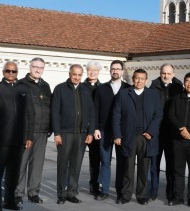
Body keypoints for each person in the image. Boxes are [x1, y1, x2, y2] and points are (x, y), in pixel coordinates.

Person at [0, 62, 34, 211]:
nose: (11, 73)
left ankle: (10, 202)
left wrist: (29, 136)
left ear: (17, 72)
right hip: (1, 141)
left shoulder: (25, 89)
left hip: (19, 141)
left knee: (13, 175)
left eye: (14, 71)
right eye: (8, 71)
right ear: (3, 71)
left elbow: (31, 114)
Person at [113, 68, 163, 205]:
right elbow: (116, 115)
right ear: (133, 79)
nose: (139, 81)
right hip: (129, 136)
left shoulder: (153, 95)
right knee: (127, 168)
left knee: (143, 168)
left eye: (142, 78)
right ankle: (126, 195)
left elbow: (158, 115)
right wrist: (117, 135)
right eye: (137, 78)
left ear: (146, 80)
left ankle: (141, 195)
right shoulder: (124, 94)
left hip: (146, 137)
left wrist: (151, 131)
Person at [51, 64, 95, 205]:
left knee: (76, 165)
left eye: (79, 75)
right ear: (69, 74)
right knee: (63, 164)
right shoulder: (60, 89)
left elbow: (91, 113)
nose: (76, 77)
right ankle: (61, 194)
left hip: (81, 134)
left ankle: (72, 192)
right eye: (74, 74)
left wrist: (90, 132)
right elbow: (55, 112)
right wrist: (56, 133)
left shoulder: (86, 90)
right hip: (65, 133)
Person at [15, 57, 51, 205]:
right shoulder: (21, 85)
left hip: (42, 131)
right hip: (26, 131)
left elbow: (50, 107)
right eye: (35, 67)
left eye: (41, 68)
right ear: (29, 67)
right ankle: (17, 193)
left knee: (37, 164)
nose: (38, 70)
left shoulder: (46, 86)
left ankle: (33, 192)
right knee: (21, 163)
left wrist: (50, 127)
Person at [94, 60, 131, 200]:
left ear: (122, 71)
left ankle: (120, 191)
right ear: (110, 71)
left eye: (118, 69)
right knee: (105, 162)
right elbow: (95, 110)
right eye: (113, 69)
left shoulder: (128, 89)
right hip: (104, 130)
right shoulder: (102, 88)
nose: (115, 71)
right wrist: (96, 128)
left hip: (122, 132)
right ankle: (104, 190)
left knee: (122, 162)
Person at [168, 72, 190, 207]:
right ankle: (178, 197)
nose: (189, 84)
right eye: (187, 81)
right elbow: (171, 115)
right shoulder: (177, 98)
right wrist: (181, 129)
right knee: (178, 170)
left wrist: (189, 129)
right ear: (184, 83)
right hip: (178, 140)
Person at [149, 64, 183, 201]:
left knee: (171, 164)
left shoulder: (178, 87)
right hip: (157, 131)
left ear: (173, 74)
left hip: (172, 132)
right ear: (160, 73)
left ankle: (170, 192)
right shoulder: (153, 86)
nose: (166, 76)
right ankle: (153, 191)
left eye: (169, 74)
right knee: (154, 164)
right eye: (164, 73)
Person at [83, 60, 102, 197]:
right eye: (90, 69)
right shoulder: (81, 87)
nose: (92, 72)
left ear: (99, 72)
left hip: (95, 129)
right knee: (74, 159)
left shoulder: (102, 88)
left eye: (95, 70)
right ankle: (70, 186)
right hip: (81, 129)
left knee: (95, 160)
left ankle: (94, 185)